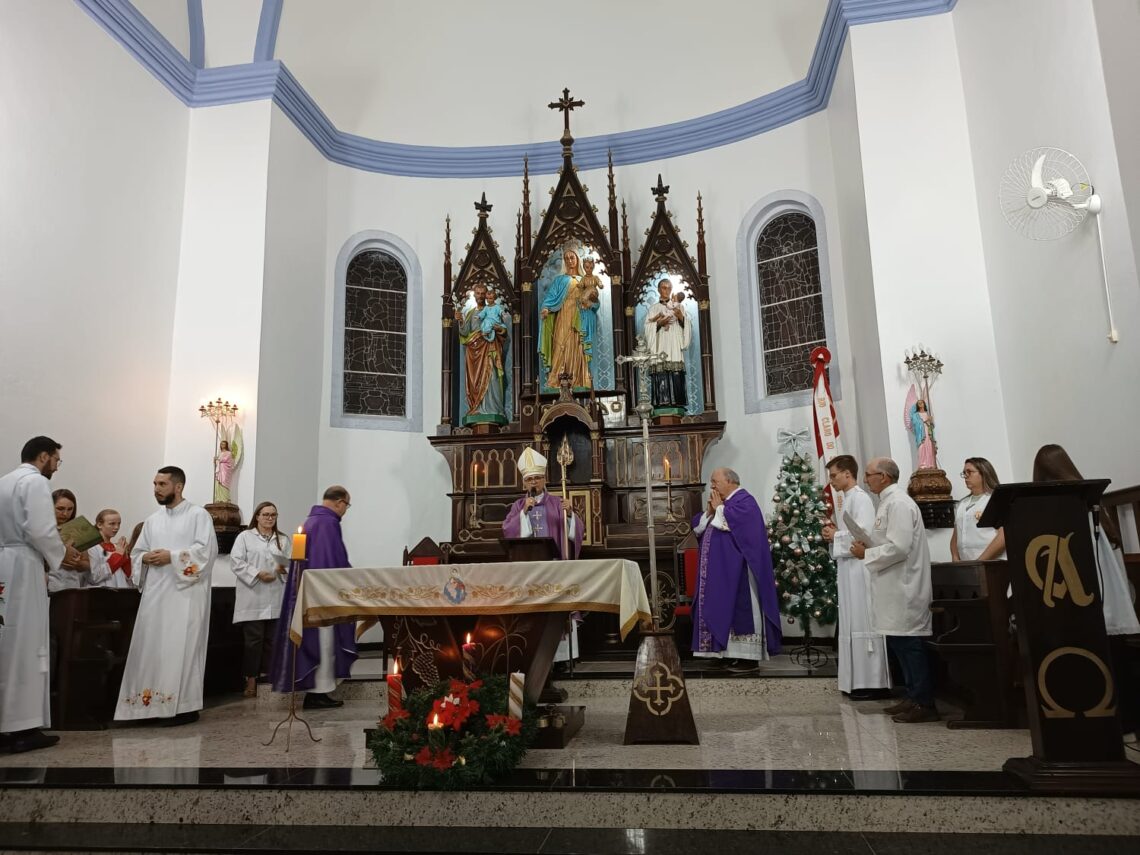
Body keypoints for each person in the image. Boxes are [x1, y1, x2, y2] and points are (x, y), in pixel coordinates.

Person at [1031, 444, 1140, 737]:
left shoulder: (1064, 508)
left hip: (1083, 598)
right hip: (1105, 597)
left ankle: (1099, 718)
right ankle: (1126, 719)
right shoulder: (1091, 502)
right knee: (1114, 657)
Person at [115, 466, 218, 726]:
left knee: (181, 648)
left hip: (186, 595)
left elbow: (205, 553)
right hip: (155, 594)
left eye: (162, 484)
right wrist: (144, 558)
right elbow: (136, 553)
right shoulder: (152, 520)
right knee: (150, 648)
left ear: (178, 486)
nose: (156, 489)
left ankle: (183, 707)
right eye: (155, 484)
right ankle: (146, 708)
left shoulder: (198, 515)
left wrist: (170, 557)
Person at [1, 437, 79, 753]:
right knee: (28, 642)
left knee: (6, 642)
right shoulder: (34, 482)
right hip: (24, 565)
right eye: (56, 460)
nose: (57, 467)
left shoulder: (4, 482)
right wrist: (62, 553)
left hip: (4, 564)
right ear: (44, 456)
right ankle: (22, 726)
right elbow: (40, 530)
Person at [850, 457, 937, 723]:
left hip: (905, 585)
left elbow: (899, 547)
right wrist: (867, 545)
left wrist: (867, 553)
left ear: (884, 477)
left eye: (869, 474)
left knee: (910, 644)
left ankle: (924, 702)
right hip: (893, 584)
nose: (866, 479)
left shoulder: (898, 503)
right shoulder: (887, 502)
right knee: (898, 641)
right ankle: (912, 696)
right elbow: (888, 542)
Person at [270, 486, 358, 710]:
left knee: (319, 642)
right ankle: (318, 693)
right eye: (346, 506)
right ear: (339, 502)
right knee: (325, 643)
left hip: (310, 592)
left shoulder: (311, 521)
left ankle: (317, 692)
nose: (345, 511)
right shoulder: (328, 523)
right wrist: (350, 581)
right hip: (323, 596)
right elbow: (332, 561)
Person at [690, 467, 782, 673]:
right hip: (722, 573)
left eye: (715, 481)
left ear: (730, 481)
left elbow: (741, 528)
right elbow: (699, 527)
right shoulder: (724, 505)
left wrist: (719, 509)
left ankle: (748, 658)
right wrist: (711, 511)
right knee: (724, 611)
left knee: (742, 611)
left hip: (740, 572)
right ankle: (727, 653)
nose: (712, 486)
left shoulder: (745, 502)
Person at [822, 455, 890, 698]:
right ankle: (856, 681)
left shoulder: (860, 498)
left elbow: (864, 536)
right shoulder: (848, 499)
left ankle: (872, 682)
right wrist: (835, 534)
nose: (831, 481)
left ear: (847, 474)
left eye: (834, 476)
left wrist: (835, 536)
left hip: (860, 570)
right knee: (852, 621)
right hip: (849, 569)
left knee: (863, 621)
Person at [231, 501, 288, 698]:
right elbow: (236, 562)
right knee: (253, 641)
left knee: (272, 640)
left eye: (273, 515)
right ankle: (251, 680)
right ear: (257, 516)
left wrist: (283, 570)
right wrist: (257, 574)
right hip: (253, 597)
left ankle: (268, 678)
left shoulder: (283, 540)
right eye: (266, 514)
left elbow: (291, 564)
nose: (270, 518)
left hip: (275, 596)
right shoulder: (245, 537)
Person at [502, 448, 583, 560]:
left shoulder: (557, 503)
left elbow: (578, 530)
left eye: (537, 478)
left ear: (544, 479)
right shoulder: (518, 505)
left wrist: (569, 514)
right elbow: (507, 529)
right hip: (527, 559)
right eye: (529, 479)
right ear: (524, 483)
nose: (533, 482)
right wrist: (523, 513)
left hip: (553, 561)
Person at [539, 247, 597, 392]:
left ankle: (578, 379)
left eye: (572, 258)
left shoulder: (584, 280)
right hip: (563, 316)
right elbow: (550, 298)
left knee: (578, 346)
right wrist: (546, 308)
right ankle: (556, 380)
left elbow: (595, 302)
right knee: (560, 345)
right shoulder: (560, 280)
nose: (570, 261)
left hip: (580, 318)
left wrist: (591, 302)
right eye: (567, 258)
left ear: (577, 259)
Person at [456, 283, 509, 428]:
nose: (480, 296)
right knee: (475, 381)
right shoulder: (471, 313)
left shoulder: (492, 310)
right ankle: (476, 407)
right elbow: (465, 332)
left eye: (482, 293)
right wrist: (460, 320)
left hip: (490, 347)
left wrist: (497, 328)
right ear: (474, 295)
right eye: (477, 293)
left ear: (487, 295)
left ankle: (494, 408)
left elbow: (503, 331)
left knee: (492, 377)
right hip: (474, 352)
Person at [643, 278, 692, 417]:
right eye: (664, 288)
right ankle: (661, 403)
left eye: (669, 288)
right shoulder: (653, 309)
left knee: (675, 371)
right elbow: (647, 329)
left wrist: (681, 317)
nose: (666, 290)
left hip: (674, 343)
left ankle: (677, 403)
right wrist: (659, 324)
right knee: (661, 370)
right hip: (660, 345)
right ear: (659, 290)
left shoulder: (679, 307)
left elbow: (687, 325)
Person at [950, 457, 1006, 562]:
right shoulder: (962, 504)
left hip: (993, 564)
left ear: (984, 473)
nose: (965, 476)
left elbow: (1003, 536)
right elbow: (955, 537)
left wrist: (980, 562)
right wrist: (955, 557)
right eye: (964, 473)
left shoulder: (996, 499)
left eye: (969, 472)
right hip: (967, 565)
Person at [47, 488, 92, 593]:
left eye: (70, 509)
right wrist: (61, 558)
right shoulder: (43, 530)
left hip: (71, 585)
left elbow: (87, 564)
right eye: (60, 509)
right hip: (47, 584)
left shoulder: (76, 529)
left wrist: (77, 563)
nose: (65, 513)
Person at [90, 509, 134, 589]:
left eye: (119, 523)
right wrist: (117, 556)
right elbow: (94, 577)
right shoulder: (91, 547)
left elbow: (129, 577)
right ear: (99, 524)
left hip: (121, 592)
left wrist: (126, 558)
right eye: (112, 524)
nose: (116, 527)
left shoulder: (117, 547)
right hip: (101, 593)